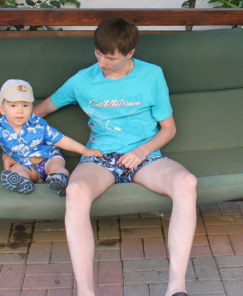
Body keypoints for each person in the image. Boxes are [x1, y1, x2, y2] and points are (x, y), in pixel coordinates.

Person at [33, 16, 197, 296]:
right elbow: (41, 111)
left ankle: (176, 288)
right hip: (99, 157)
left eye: (111, 58)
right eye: (98, 54)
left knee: (187, 183)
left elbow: (169, 129)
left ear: (130, 53)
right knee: (75, 191)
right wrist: (12, 141)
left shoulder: (152, 75)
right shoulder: (82, 80)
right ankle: (85, 292)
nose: (102, 63)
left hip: (144, 157)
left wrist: (142, 151)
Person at [0, 79, 102, 196]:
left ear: (31, 107)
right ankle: (21, 182)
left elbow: (61, 139)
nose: (20, 111)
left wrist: (84, 150)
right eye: (13, 105)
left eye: (25, 105)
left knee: (57, 165)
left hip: (47, 159)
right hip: (26, 166)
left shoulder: (38, 123)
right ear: (2, 109)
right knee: (17, 170)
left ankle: (59, 179)